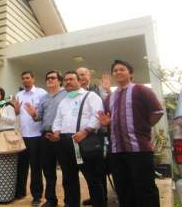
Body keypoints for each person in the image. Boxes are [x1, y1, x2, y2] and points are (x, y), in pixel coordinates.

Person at [98, 60, 164, 207]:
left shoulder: (141, 90)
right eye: (115, 70)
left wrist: (143, 127)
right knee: (123, 189)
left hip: (139, 149)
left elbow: (157, 112)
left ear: (130, 73)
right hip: (116, 151)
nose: (118, 72)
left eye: (122, 69)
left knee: (145, 187)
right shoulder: (110, 97)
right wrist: (107, 124)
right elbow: (108, 118)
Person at [52, 71, 105, 207]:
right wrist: (56, 132)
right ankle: (71, 204)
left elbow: (97, 116)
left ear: (79, 81)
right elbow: (58, 120)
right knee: (68, 178)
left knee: (93, 178)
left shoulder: (90, 96)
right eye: (66, 80)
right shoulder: (63, 101)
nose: (68, 82)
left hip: (84, 141)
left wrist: (86, 131)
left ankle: (99, 204)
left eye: (71, 79)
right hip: (65, 143)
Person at [29, 70, 67, 207]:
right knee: (48, 170)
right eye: (47, 78)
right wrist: (33, 114)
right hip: (45, 136)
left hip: (62, 136)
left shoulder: (66, 94)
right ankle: (51, 200)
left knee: (67, 170)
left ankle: (69, 201)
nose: (49, 80)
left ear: (60, 80)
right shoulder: (44, 97)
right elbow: (38, 117)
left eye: (53, 78)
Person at [76, 67, 111, 206]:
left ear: (89, 75)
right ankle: (95, 197)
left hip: (98, 135)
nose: (81, 77)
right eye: (78, 75)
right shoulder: (74, 93)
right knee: (88, 170)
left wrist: (107, 91)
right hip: (81, 137)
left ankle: (103, 200)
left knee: (99, 170)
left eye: (83, 74)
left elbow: (107, 104)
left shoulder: (97, 90)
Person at [14, 71, 47, 207]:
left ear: (33, 79)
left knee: (35, 168)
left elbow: (45, 112)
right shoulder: (19, 95)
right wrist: (16, 110)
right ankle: (20, 192)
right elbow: (18, 114)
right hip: (22, 136)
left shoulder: (41, 93)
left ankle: (37, 196)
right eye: (23, 78)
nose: (25, 80)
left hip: (36, 136)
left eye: (27, 78)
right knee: (21, 167)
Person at [0, 87, 18, 204]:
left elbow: (12, 120)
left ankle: (8, 196)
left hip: (6, 138)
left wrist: (0, 114)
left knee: (9, 170)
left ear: (2, 95)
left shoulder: (8, 106)